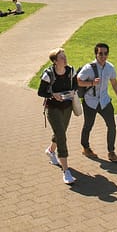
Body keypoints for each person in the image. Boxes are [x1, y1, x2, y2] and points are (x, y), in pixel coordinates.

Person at [77, 42, 117, 162]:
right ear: (96, 54)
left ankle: (111, 152)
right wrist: (92, 83)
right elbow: (78, 81)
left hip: (104, 101)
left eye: (105, 53)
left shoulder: (110, 67)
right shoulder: (88, 68)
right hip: (90, 102)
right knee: (88, 125)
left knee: (111, 126)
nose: (103, 56)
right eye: (100, 53)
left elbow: (114, 83)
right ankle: (86, 148)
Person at [37, 48, 78, 184]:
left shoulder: (71, 71)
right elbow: (40, 92)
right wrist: (53, 95)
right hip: (53, 108)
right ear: (55, 61)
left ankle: (50, 151)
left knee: (61, 132)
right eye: (61, 57)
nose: (65, 59)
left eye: (65, 56)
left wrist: (72, 92)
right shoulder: (48, 74)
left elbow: (76, 85)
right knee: (61, 136)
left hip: (67, 107)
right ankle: (66, 171)